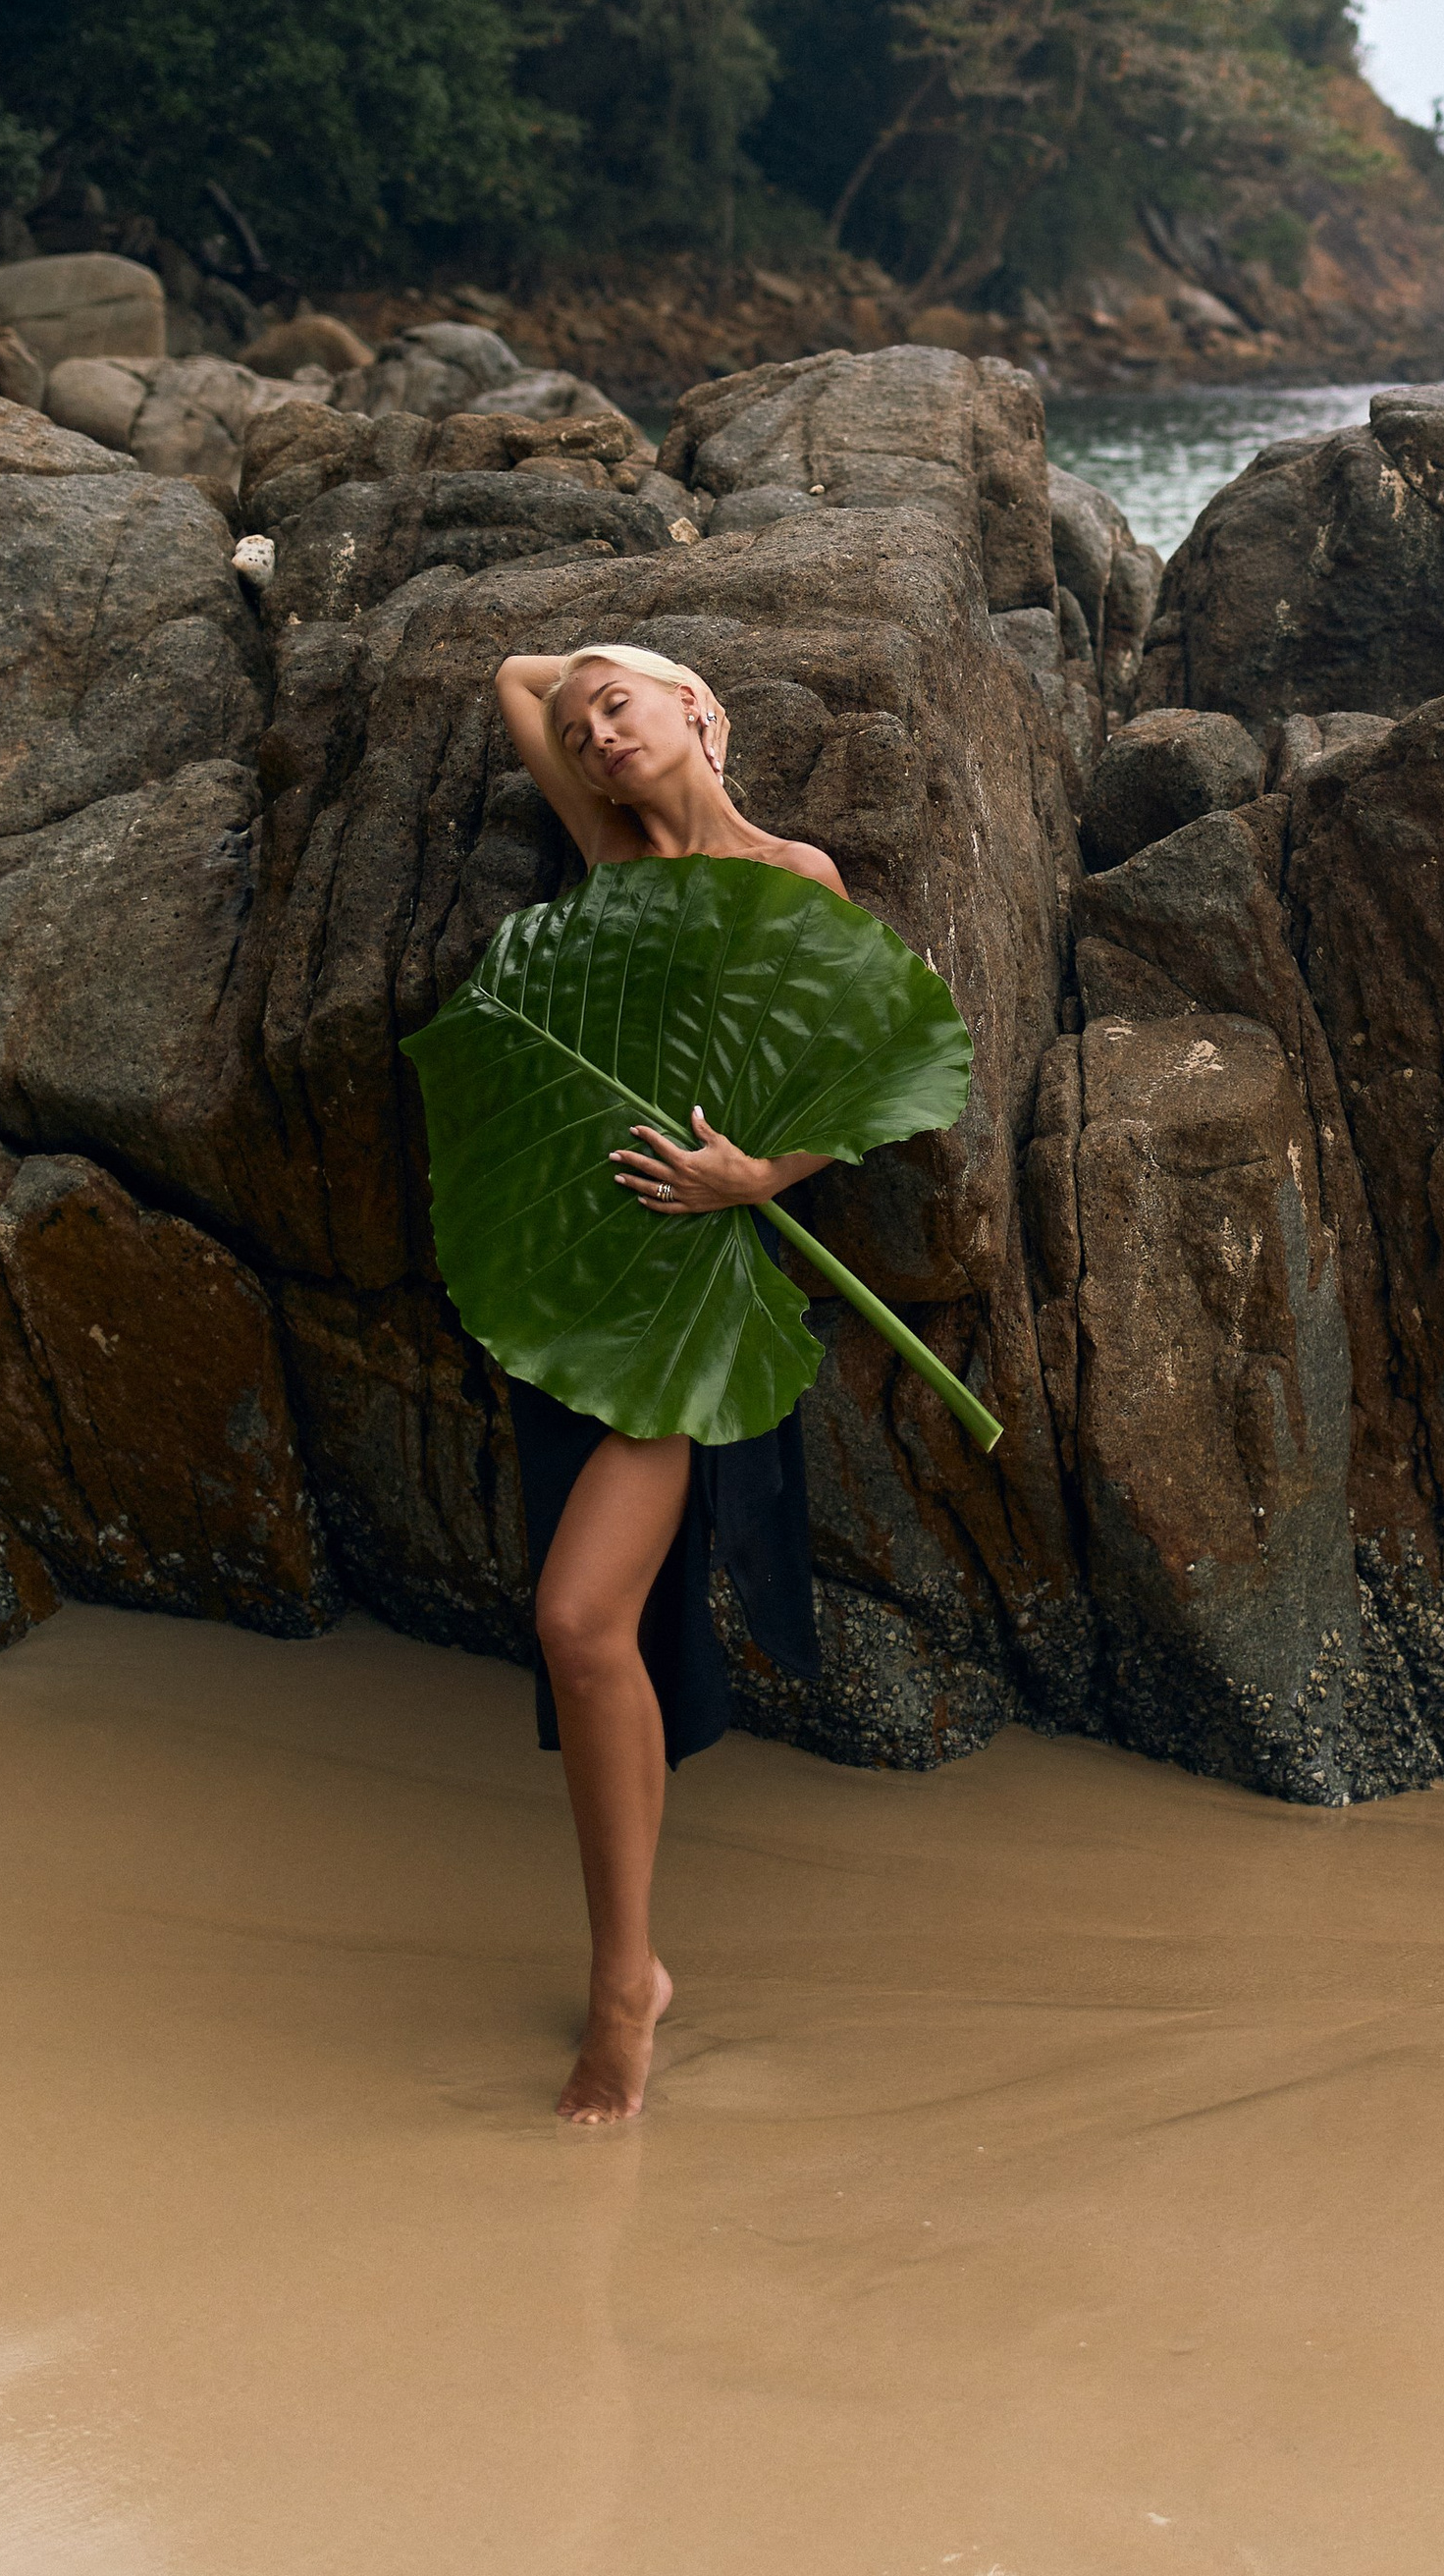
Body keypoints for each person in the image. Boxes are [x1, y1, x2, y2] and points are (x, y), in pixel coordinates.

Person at [487, 642, 840, 2125]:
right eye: (582, 731)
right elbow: (512, 676)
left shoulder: (794, 874)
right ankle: (629, 1966)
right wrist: (600, 693)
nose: (589, 732)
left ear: (699, 710)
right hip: (575, 1287)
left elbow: (860, 1069)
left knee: (578, 1620)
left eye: (618, 706)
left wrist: (761, 1175)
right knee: (596, 1636)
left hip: (694, 1291)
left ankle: (624, 1983)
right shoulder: (608, 853)